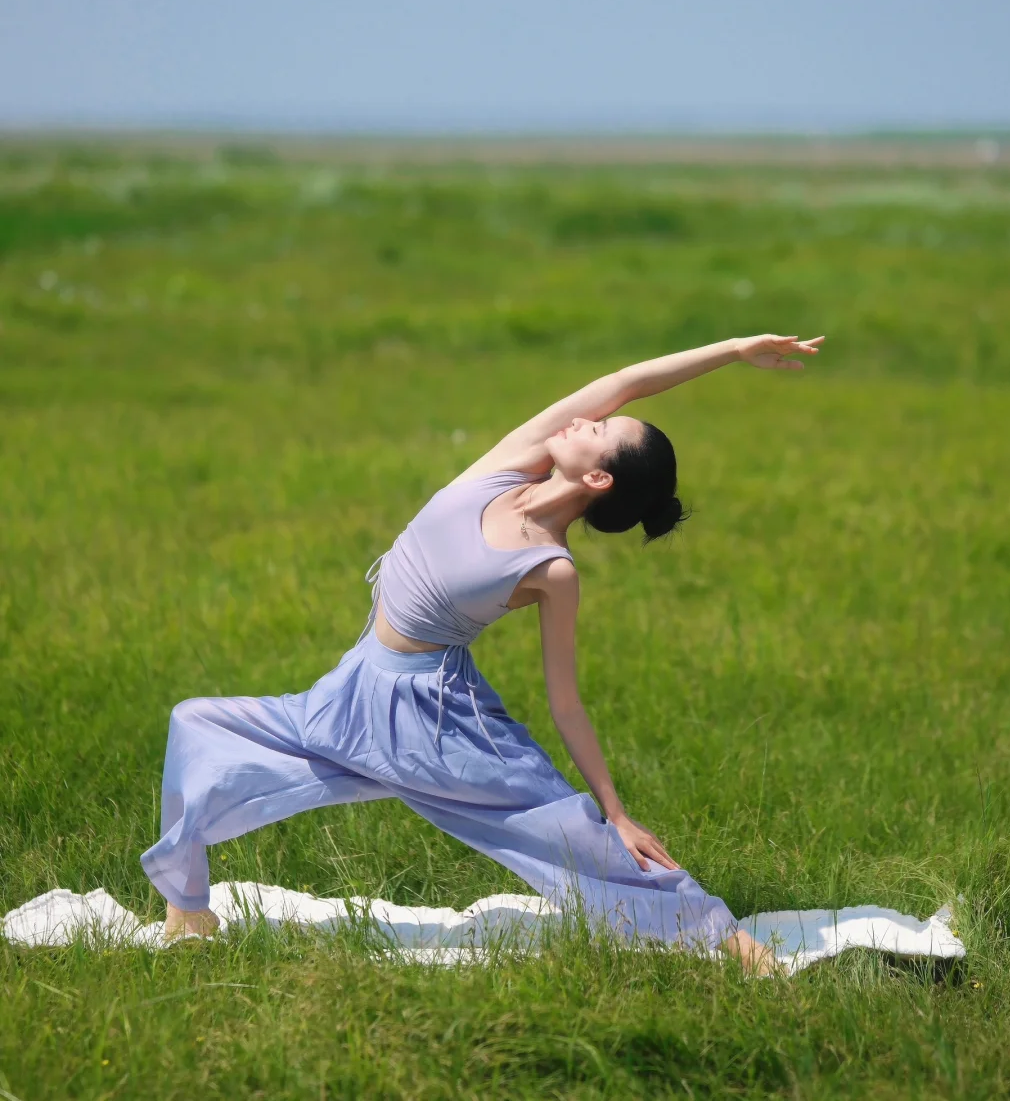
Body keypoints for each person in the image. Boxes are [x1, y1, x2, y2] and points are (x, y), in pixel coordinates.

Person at [142, 332, 823, 975]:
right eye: (597, 417)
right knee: (198, 726)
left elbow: (566, 701)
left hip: (436, 719)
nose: (590, 416)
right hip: (355, 690)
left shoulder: (552, 570)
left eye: (602, 432)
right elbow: (625, 382)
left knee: (563, 830)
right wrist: (735, 349)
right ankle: (188, 911)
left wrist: (615, 809)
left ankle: (724, 937)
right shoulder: (515, 461)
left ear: (599, 482)